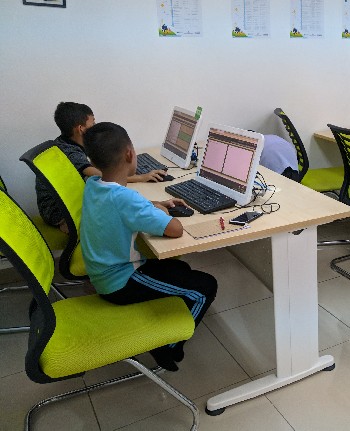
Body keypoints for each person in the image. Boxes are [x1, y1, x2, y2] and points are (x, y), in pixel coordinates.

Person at [80, 122, 218, 371]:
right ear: (129, 154)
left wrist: (153, 205)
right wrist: (162, 212)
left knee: (180, 268)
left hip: (103, 271)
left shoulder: (93, 184)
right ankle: (168, 347)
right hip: (119, 282)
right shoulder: (125, 199)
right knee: (205, 287)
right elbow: (175, 229)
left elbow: (123, 205)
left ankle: (165, 320)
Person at [35, 102, 169, 233]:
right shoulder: (70, 152)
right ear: (81, 129)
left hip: (63, 202)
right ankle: (72, 227)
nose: (94, 127)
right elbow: (102, 174)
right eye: (92, 123)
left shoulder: (64, 142)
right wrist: (141, 177)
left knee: (119, 205)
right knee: (121, 215)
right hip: (57, 212)